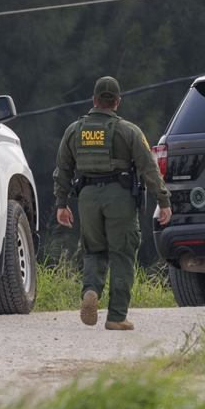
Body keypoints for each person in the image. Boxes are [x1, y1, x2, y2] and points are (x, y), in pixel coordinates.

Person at [52, 76, 172, 330]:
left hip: (87, 198)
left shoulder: (74, 130)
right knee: (123, 253)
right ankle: (116, 316)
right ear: (117, 102)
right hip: (119, 196)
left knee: (94, 250)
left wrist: (62, 203)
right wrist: (163, 201)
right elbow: (149, 168)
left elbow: (63, 169)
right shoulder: (129, 131)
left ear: (93, 100)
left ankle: (90, 291)